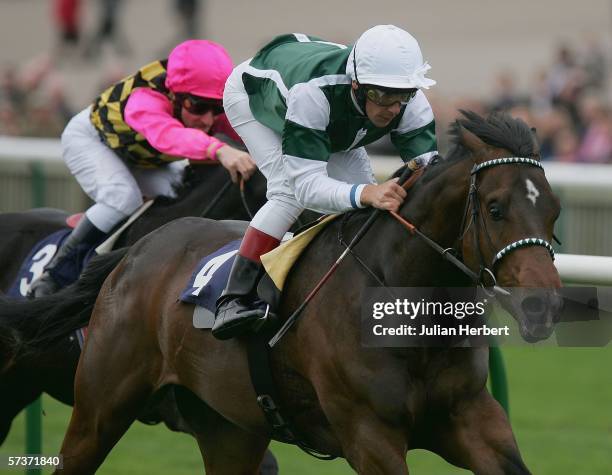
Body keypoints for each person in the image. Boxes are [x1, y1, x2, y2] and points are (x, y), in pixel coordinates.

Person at [213, 25, 438, 339]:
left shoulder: (409, 100)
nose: (392, 107)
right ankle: (234, 297)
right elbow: (307, 188)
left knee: (363, 203)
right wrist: (367, 193)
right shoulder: (314, 94)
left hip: (329, 116)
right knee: (288, 193)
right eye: (380, 95)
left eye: (402, 96)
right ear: (356, 84)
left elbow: (431, 176)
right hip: (253, 99)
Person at [29, 40, 256, 298]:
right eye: (197, 106)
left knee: (177, 195)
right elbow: (168, 135)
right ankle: (53, 276)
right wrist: (219, 150)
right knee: (121, 196)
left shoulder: (203, 107)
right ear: (175, 95)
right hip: (92, 140)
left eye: (215, 108)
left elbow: (244, 133)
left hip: (141, 157)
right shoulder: (144, 100)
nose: (207, 118)